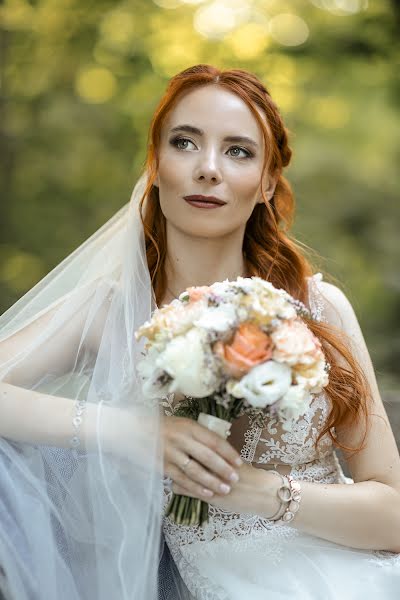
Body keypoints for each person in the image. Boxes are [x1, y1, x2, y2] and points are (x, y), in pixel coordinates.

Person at [0, 64, 399, 600]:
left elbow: (392, 513)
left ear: (266, 184)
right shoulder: (111, 310)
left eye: (238, 151)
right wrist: (133, 433)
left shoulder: (317, 307)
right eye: (185, 142)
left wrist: (263, 494)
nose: (208, 169)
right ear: (157, 165)